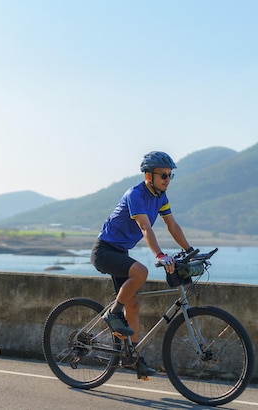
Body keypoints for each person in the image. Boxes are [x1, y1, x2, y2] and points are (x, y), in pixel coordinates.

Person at [90, 151, 194, 377]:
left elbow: (172, 226)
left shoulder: (161, 198)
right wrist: (159, 255)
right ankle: (112, 313)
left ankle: (132, 357)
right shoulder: (135, 194)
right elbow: (145, 228)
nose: (167, 179)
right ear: (149, 176)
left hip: (120, 251)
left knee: (134, 305)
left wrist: (189, 250)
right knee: (141, 271)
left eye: (170, 175)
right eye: (163, 175)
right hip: (105, 251)